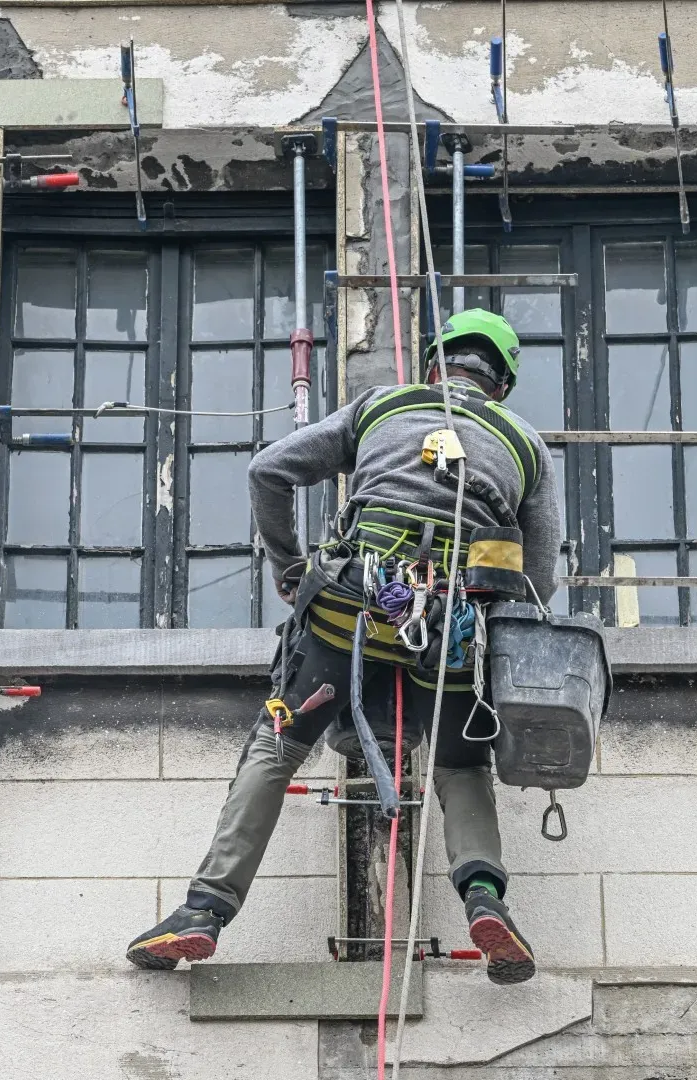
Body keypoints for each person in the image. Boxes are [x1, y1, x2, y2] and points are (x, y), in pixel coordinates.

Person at [127, 309, 561, 985]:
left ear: (432, 365)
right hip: (449, 637)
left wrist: (289, 567)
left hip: (345, 616)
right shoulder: (527, 446)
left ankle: (202, 912)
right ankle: (484, 897)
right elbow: (539, 581)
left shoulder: (380, 406)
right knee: (460, 766)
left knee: (277, 744)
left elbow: (267, 471)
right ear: (499, 384)